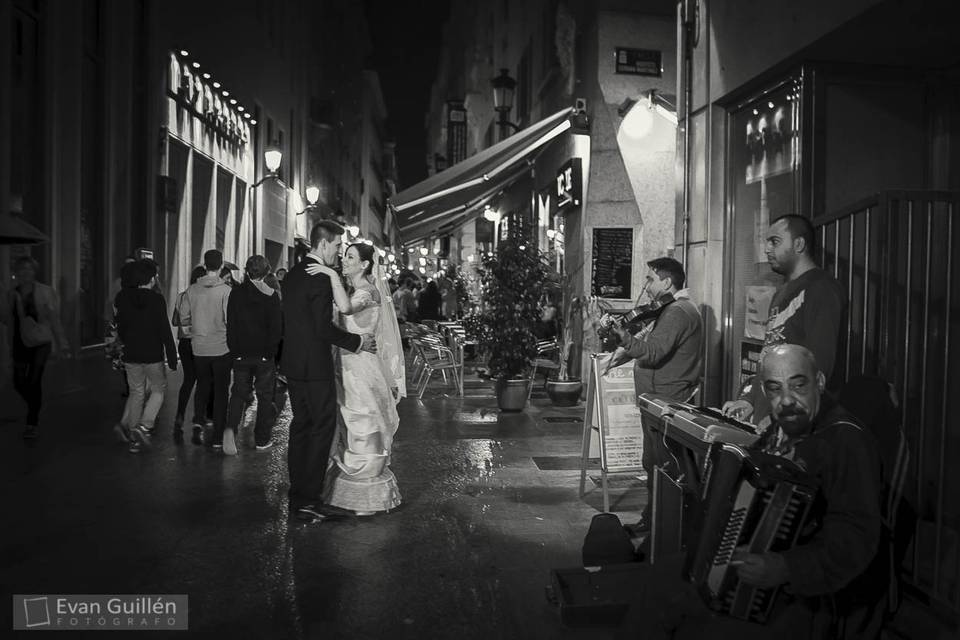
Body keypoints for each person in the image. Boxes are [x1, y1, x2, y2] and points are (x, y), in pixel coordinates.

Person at [617, 344, 884, 640]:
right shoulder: (783, 428)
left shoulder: (846, 440)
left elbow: (857, 537)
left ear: (819, 381)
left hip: (809, 594)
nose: (786, 400)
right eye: (774, 389)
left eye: (798, 385)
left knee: (704, 627)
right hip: (752, 565)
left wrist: (786, 567)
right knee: (660, 580)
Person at [280, 220, 376, 523]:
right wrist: (358, 341)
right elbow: (322, 328)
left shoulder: (293, 274)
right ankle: (309, 499)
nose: (338, 253)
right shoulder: (321, 277)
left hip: (294, 364)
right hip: (315, 366)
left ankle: (298, 495)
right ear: (324, 244)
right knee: (321, 430)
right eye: (337, 246)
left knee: (301, 428)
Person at [607, 257, 703, 537]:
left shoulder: (677, 312)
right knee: (655, 462)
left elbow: (653, 352)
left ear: (667, 282)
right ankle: (656, 519)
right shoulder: (672, 310)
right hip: (657, 399)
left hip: (666, 401)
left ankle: (668, 526)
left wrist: (624, 337)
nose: (646, 286)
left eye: (650, 279)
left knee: (665, 465)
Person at [307, 243, 405, 515]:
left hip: (362, 368)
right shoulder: (352, 288)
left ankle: (366, 486)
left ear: (364, 264)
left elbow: (347, 309)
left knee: (363, 418)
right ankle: (349, 485)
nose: (344, 259)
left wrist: (330, 275)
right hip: (345, 365)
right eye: (345, 255)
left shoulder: (367, 291)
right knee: (348, 421)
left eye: (350, 257)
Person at [723, 214, 845, 424]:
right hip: (768, 422)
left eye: (775, 241)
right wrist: (750, 400)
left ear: (798, 244)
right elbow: (768, 354)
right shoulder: (781, 292)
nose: (767, 249)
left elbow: (819, 366)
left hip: (792, 428)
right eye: (767, 242)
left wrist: (785, 416)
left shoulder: (821, 288)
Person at [114, 259, 178, 453]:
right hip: (152, 353)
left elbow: (121, 327)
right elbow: (164, 330)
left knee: (136, 392)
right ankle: (145, 425)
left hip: (131, 353)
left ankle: (134, 438)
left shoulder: (122, 297)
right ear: (151, 278)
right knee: (158, 389)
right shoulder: (157, 299)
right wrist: (172, 355)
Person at [224, 255, 282, 453]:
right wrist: (271, 352)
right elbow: (276, 328)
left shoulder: (236, 293)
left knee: (238, 393)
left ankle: (230, 429)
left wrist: (234, 350)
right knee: (265, 396)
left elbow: (230, 324)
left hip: (241, 353)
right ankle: (262, 439)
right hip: (264, 355)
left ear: (247, 271)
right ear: (266, 273)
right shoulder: (271, 295)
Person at [7, 256, 69, 439]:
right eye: (22, 269)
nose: (26, 272)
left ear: (35, 272)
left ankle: (31, 422)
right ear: (16, 272)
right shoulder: (12, 293)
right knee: (18, 382)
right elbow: (8, 320)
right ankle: (35, 404)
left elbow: (54, 320)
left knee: (34, 380)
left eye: (30, 269)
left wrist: (63, 344)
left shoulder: (45, 292)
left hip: (42, 341)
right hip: (20, 342)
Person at [178, 249, 233, 452]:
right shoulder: (226, 291)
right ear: (220, 266)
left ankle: (198, 421)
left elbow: (183, 318)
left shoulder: (192, 290)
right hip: (221, 347)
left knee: (202, 385)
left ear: (204, 264)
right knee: (220, 392)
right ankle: (218, 437)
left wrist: (194, 329)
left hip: (199, 347)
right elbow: (230, 319)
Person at [172, 265, 208, 445]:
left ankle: (179, 416)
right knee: (202, 381)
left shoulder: (182, 295)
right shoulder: (204, 297)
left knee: (188, 380)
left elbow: (174, 320)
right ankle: (198, 421)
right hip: (201, 343)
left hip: (184, 343)